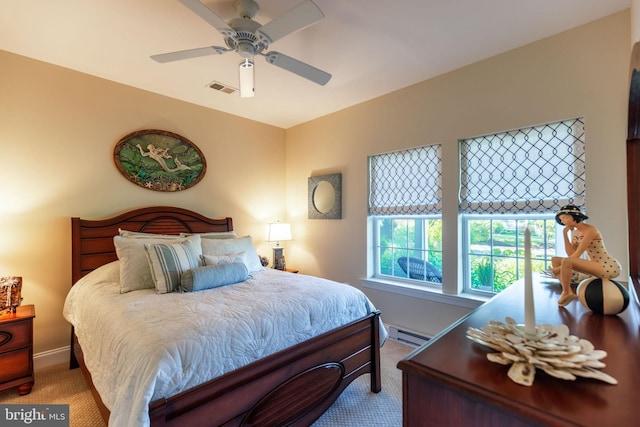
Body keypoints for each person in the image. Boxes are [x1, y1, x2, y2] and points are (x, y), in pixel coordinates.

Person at [550, 205, 621, 307]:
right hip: (594, 264)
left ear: (574, 216)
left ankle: (566, 292)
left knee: (566, 261)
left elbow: (577, 255)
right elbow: (571, 254)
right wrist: (565, 234)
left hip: (607, 266)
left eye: (565, 217)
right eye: (561, 219)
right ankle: (567, 290)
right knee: (555, 260)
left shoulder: (591, 230)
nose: (563, 221)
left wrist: (559, 269)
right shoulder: (575, 232)